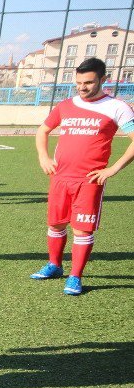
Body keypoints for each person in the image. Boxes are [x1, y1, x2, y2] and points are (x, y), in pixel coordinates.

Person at [30, 57, 134, 296]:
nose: (82, 87)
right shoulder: (66, 105)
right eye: (78, 83)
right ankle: (55, 265)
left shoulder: (117, 107)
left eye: (88, 82)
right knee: (55, 224)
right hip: (60, 177)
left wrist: (113, 169)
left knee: (82, 230)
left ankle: (75, 276)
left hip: (89, 181)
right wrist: (43, 157)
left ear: (103, 80)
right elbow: (43, 130)